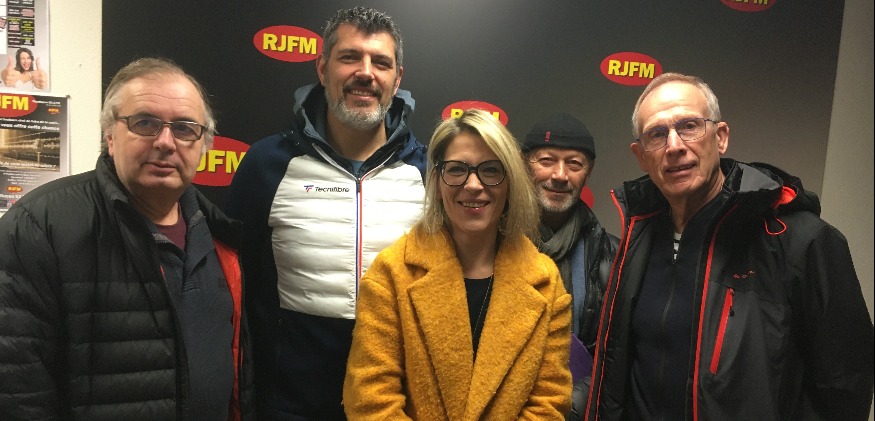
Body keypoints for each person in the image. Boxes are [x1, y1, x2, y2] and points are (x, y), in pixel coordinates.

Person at [584, 72, 874, 420]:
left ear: (720, 137)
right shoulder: (637, 237)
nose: (674, 146)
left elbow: (844, 388)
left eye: (689, 126)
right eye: (657, 134)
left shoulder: (801, 241)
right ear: (642, 156)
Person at [0, 57, 253, 420]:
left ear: (203, 144)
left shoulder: (220, 237)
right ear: (110, 136)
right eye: (145, 123)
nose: (165, 142)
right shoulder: (39, 226)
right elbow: (17, 389)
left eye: (184, 128)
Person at [224, 6, 426, 419]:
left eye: (381, 62)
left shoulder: (429, 170)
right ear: (322, 68)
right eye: (350, 57)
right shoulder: (267, 164)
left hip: (397, 405)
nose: (365, 73)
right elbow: (235, 281)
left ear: (397, 79)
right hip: (290, 405)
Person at [343, 108, 572, 419]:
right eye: (456, 169)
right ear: (436, 180)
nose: (473, 184)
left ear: (510, 183)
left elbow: (550, 402)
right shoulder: (391, 273)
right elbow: (370, 400)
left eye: (490, 170)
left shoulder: (546, 283)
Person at [521, 113, 618, 420]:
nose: (560, 175)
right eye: (546, 161)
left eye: (574, 164)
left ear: (588, 171)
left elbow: (617, 356)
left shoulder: (615, 256)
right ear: (524, 164)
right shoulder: (488, 246)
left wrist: (571, 405)